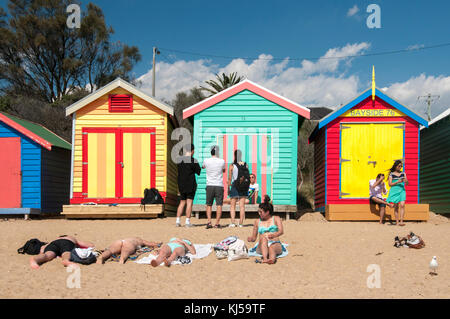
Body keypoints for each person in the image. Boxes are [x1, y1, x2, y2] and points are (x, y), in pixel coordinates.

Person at [247, 196, 284, 264]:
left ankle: (272, 260)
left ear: (267, 212)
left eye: (261, 212)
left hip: (274, 242)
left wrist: (274, 235)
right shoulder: (257, 221)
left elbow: (281, 231)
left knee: (272, 247)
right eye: (258, 212)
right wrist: (251, 239)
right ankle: (265, 258)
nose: (259, 213)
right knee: (264, 238)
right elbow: (254, 238)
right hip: (262, 246)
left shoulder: (276, 218)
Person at [29, 235, 94, 269]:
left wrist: (41, 253)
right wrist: (77, 243)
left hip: (53, 244)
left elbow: (42, 249)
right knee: (66, 253)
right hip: (66, 243)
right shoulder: (71, 238)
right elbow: (90, 245)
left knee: (47, 255)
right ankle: (66, 260)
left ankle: (35, 259)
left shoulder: (55, 239)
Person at [176, 144, 201, 227]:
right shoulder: (194, 160)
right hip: (190, 184)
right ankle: (187, 222)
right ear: (192, 151)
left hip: (181, 184)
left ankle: (178, 221)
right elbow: (198, 172)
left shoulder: (179, 160)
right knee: (189, 202)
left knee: (182, 202)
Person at [202, 145, 226, 229]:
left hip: (209, 185)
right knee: (219, 205)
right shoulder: (222, 161)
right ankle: (217, 223)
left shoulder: (206, 160)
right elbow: (224, 170)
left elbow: (203, 167)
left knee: (209, 204)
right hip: (219, 185)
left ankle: (209, 222)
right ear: (217, 152)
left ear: (210, 152)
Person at [96, 237, 161, 264]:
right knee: (125, 252)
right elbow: (150, 244)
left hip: (120, 241)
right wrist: (157, 244)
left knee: (110, 251)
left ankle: (101, 257)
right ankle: (122, 260)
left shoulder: (130, 238)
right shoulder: (141, 240)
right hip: (129, 244)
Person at [228, 149, 250, 227]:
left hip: (235, 185)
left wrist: (228, 188)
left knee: (232, 205)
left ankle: (233, 222)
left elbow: (230, 178)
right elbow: (248, 176)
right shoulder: (245, 164)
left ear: (234, 155)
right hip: (244, 185)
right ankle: (241, 223)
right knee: (242, 206)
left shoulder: (232, 165)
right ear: (241, 155)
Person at [387, 160, 409, 226]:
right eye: (399, 166)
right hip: (394, 191)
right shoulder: (391, 174)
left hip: (402, 190)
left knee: (402, 205)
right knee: (396, 207)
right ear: (396, 166)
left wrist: (406, 181)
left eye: (401, 166)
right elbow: (390, 184)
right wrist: (397, 182)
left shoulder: (403, 173)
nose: (400, 167)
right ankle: (397, 222)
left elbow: (407, 184)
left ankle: (401, 221)